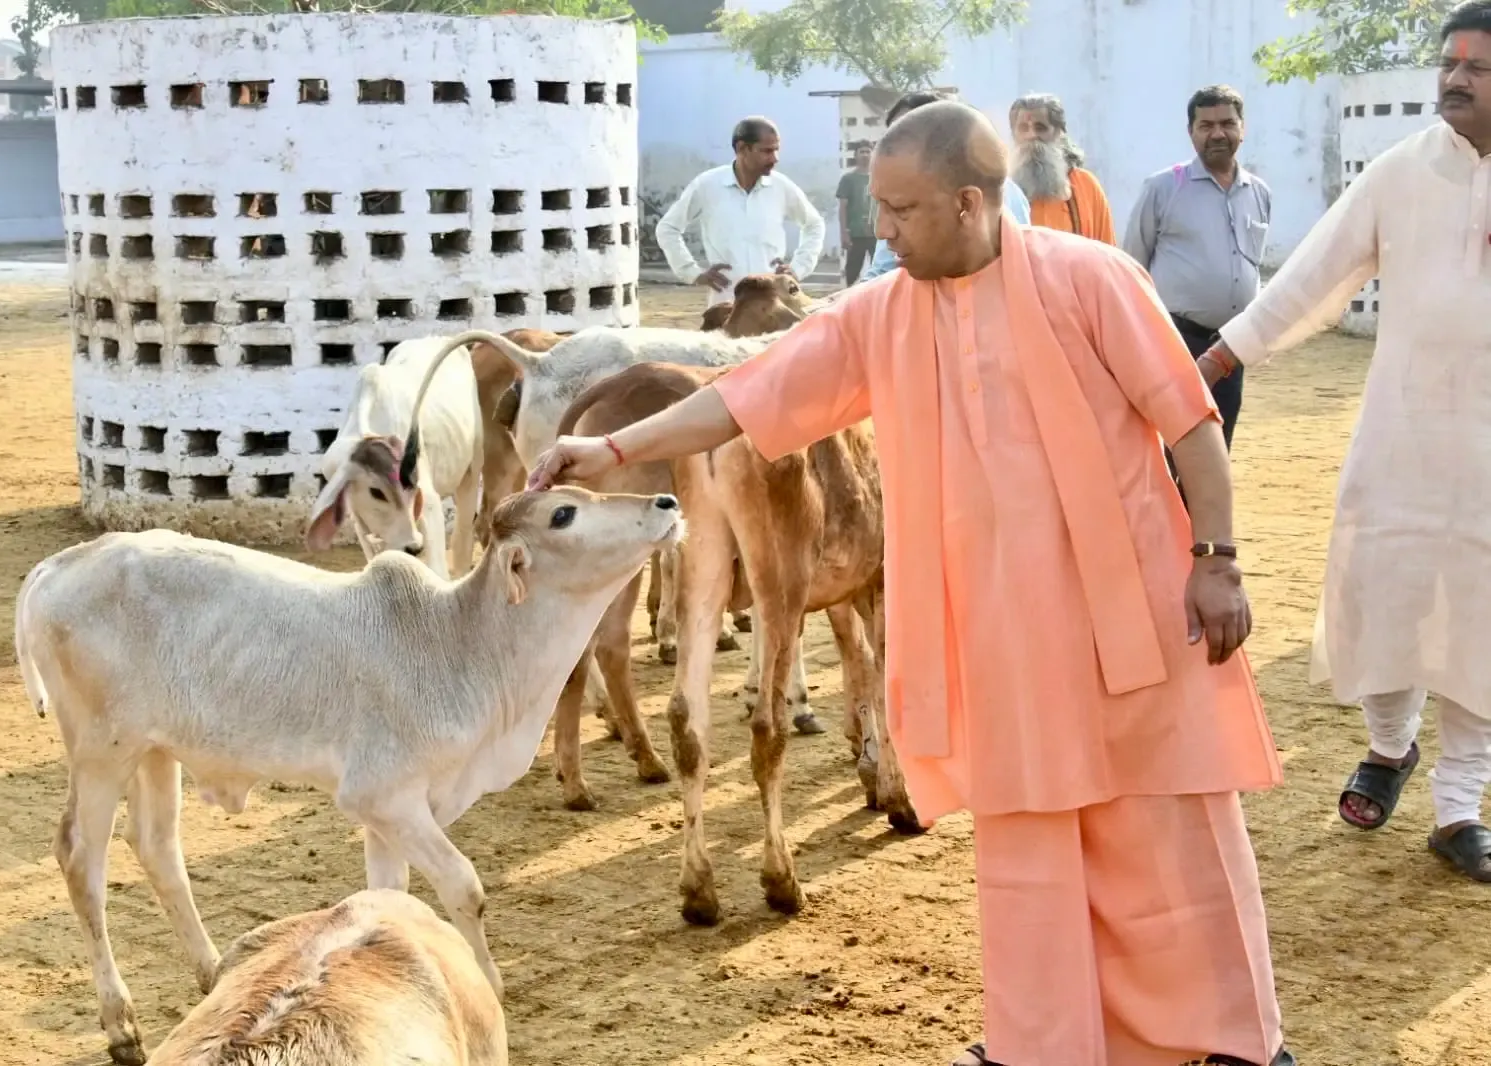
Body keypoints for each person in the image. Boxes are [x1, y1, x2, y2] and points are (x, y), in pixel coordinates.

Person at [530, 100, 1294, 1066]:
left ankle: (1223, 1043)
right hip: (997, 635)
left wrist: (1216, 563)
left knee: (1165, 833)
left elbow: (1190, 424)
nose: (877, 228)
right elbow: (743, 397)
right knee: (1027, 847)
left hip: (1129, 615)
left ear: (968, 206)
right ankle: (1042, 1046)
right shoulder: (880, 313)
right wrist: (608, 446)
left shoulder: (1094, 280)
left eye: (899, 210)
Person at [1197, 0, 1491, 884]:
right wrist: (1214, 358)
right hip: (1401, 437)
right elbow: (1311, 277)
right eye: (1448, 63)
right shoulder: (1400, 172)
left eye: (1476, 67)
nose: (1453, 78)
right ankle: (1387, 747)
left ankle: (1459, 805)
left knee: (1483, 617)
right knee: (1385, 588)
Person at [1124, 84, 1271, 453]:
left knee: (1220, 444)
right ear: (1191, 132)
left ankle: (1203, 514)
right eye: (1206, 125)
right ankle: (1173, 513)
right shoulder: (1162, 188)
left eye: (1227, 123)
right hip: (1176, 342)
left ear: (1243, 128)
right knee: (1176, 446)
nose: (1217, 133)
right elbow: (1130, 268)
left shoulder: (1258, 192)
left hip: (1232, 346)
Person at [859, 91, 1031, 283]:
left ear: (967, 204)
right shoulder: (892, 288)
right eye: (892, 137)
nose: (883, 231)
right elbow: (879, 274)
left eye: (902, 209)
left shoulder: (1063, 278)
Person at [654, 116, 825, 307]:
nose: (775, 159)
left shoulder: (780, 186)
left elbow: (814, 225)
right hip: (726, 302)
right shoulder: (708, 185)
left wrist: (798, 268)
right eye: (767, 151)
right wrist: (693, 273)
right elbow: (667, 228)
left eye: (776, 150)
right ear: (742, 149)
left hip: (774, 304)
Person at [1007, 93, 1116, 243]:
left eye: (1040, 128)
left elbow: (1107, 254)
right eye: (1023, 128)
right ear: (1014, 135)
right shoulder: (1001, 190)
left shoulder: (1086, 187)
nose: (1032, 135)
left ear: (1059, 133)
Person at [837, 141, 878, 286]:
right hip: (855, 233)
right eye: (862, 152)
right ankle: (847, 299)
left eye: (868, 151)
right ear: (856, 156)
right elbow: (843, 207)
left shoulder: (879, 177)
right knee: (852, 271)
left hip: (877, 233)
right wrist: (844, 233)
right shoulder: (848, 179)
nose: (865, 155)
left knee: (880, 271)